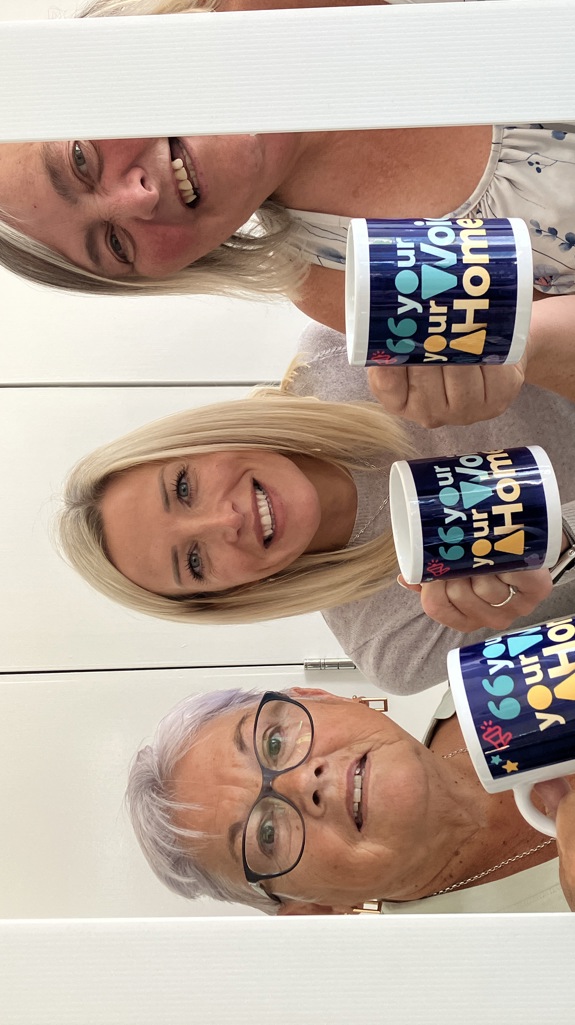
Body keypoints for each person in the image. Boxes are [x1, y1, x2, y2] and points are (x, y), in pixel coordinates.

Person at [2, 1, 575, 428]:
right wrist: (523, 349)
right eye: (115, 245)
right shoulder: (341, 280)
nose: (138, 200)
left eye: (80, 159)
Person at [57, 321, 575, 694]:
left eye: (184, 487)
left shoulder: (343, 349)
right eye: (194, 561)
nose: (225, 521)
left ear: (200, 440)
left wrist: (519, 340)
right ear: (227, 596)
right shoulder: (392, 643)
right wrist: (561, 546)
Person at [126, 684, 575, 914]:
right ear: (310, 908)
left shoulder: (486, 681)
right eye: (266, 835)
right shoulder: (476, 987)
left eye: (275, 743)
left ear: (321, 697)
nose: (302, 784)